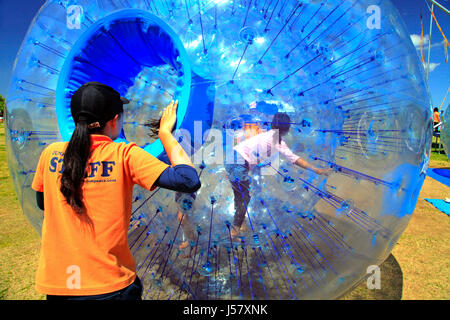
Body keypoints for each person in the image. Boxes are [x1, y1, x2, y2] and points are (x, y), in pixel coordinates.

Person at [31, 82, 201, 300]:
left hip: (58, 285)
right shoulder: (124, 154)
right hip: (109, 285)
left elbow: (43, 203)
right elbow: (188, 180)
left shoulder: (50, 154)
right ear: (114, 121)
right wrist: (165, 134)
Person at [225, 112, 331, 238]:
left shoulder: (267, 133)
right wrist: (317, 170)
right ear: (286, 130)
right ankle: (235, 230)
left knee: (240, 195)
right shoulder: (277, 141)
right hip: (239, 164)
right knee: (244, 197)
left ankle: (239, 222)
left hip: (231, 157)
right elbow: (295, 159)